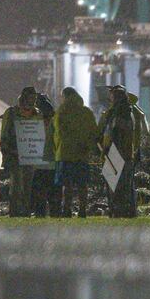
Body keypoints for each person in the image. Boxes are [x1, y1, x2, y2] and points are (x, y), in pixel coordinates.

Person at [98, 84, 149, 217]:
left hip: (116, 152)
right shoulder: (128, 111)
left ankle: (118, 211)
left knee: (115, 186)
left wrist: (105, 149)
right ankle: (127, 211)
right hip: (126, 153)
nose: (110, 97)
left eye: (112, 95)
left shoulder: (119, 112)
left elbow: (112, 133)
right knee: (125, 185)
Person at [0, 87, 49, 217]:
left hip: (30, 154)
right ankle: (15, 211)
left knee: (27, 186)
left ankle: (25, 210)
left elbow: (40, 133)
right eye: (30, 97)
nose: (33, 100)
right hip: (14, 154)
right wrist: (7, 152)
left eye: (34, 98)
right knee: (16, 186)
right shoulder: (11, 113)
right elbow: (4, 134)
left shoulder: (37, 113)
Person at [53, 86, 101, 218]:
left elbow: (58, 133)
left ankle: (67, 210)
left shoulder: (61, 112)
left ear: (64, 96)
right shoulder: (86, 112)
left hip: (65, 153)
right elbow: (94, 132)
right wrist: (91, 147)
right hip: (82, 153)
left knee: (67, 185)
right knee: (82, 185)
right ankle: (82, 210)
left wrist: (56, 148)